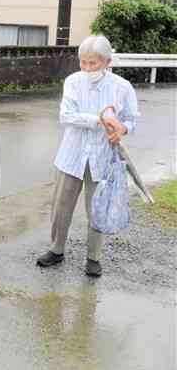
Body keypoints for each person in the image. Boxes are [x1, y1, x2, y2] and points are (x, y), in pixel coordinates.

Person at [36, 34, 139, 277]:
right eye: (83, 62)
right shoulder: (73, 81)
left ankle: (93, 257)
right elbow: (66, 115)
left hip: (103, 159)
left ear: (107, 62)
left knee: (97, 210)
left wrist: (123, 128)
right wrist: (99, 120)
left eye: (93, 63)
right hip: (71, 157)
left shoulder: (122, 88)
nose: (87, 68)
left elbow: (132, 120)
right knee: (61, 207)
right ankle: (56, 249)